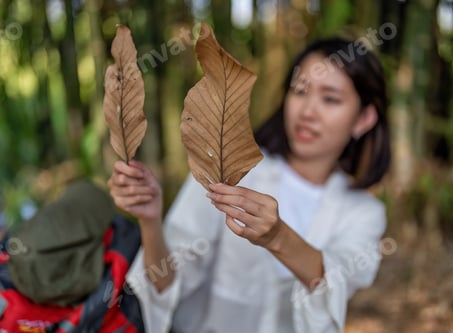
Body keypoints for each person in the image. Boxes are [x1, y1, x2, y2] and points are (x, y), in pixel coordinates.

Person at [108, 36, 391, 333]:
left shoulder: (363, 212)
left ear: (364, 118)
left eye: (330, 98)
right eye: (299, 91)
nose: (307, 112)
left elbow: (333, 283)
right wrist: (150, 221)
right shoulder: (229, 168)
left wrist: (276, 237)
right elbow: (166, 284)